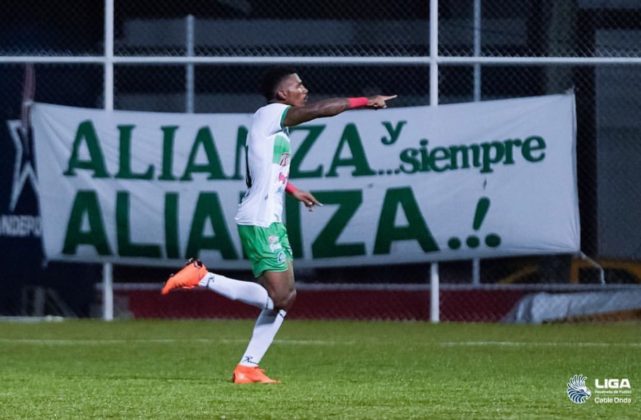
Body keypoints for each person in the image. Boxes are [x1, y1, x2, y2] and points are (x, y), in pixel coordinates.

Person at [162, 67, 396, 384]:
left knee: (284, 298)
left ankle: (248, 368)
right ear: (282, 94)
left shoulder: (275, 127)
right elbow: (319, 110)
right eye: (298, 85)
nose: (305, 89)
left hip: (270, 217)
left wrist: (292, 189)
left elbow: (264, 170)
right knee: (281, 297)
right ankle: (202, 277)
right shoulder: (271, 113)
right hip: (260, 218)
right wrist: (364, 102)